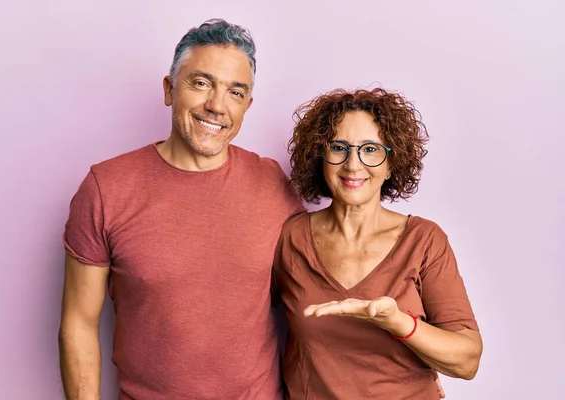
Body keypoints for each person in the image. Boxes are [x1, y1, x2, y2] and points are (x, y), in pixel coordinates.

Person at [58, 18, 304, 400]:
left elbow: (310, 304)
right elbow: (78, 323)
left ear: (247, 106)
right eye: (201, 83)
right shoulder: (106, 188)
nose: (216, 106)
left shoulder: (274, 185)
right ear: (170, 89)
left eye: (235, 92)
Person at [272, 88, 483, 399]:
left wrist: (397, 322)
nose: (353, 165)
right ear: (321, 156)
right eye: (339, 147)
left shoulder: (424, 240)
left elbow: (467, 362)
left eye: (370, 150)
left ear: (390, 163)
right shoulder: (291, 238)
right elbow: (247, 320)